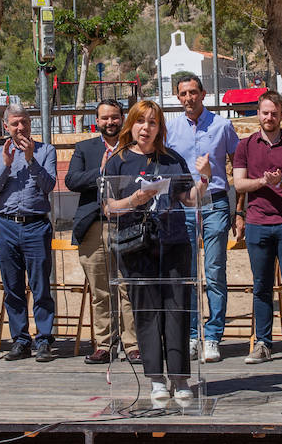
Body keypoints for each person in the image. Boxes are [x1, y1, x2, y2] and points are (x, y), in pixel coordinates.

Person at [104, 100, 211, 405]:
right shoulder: (118, 161)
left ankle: (179, 378)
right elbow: (108, 207)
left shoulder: (171, 159)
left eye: (152, 123)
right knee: (147, 312)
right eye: (140, 122)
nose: (145, 128)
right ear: (131, 125)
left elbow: (189, 199)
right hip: (136, 247)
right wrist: (134, 201)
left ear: (159, 128)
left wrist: (204, 179)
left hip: (173, 243)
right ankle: (155, 379)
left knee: (176, 309)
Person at [232, 90, 282, 366]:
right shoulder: (245, 145)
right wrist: (263, 183)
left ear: (281, 115)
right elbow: (239, 184)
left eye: (274, 113)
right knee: (261, 286)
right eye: (265, 112)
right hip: (257, 223)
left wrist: (281, 182)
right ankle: (263, 343)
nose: (269, 117)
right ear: (258, 113)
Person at [165, 75, 239, 364]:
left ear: (203, 94)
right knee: (188, 273)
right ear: (178, 97)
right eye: (183, 94)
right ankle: (193, 335)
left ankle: (213, 336)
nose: (188, 98)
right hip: (182, 205)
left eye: (193, 92)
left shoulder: (222, 125)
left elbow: (238, 162)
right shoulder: (171, 129)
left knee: (215, 271)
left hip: (215, 203)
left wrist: (239, 207)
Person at [0, 101, 59, 362]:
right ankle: (20, 339)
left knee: (40, 285)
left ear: (30, 123)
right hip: (6, 224)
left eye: (24, 122)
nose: (20, 127)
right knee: (12, 285)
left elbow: (49, 186)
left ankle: (45, 339)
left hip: (36, 225)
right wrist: (6, 165)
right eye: (14, 123)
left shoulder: (46, 150)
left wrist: (31, 161)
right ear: (6, 126)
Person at [65, 99, 137, 364]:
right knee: (100, 290)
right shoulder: (85, 148)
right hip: (93, 227)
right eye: (105, 118)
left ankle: (133, 345)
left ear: (122, 118)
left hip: (128, 226)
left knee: (128, 287)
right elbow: (72, 180)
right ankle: (104, 343)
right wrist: (102, 171)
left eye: (115, 117)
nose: (110, 123)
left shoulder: (133, 147)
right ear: (97, 121)